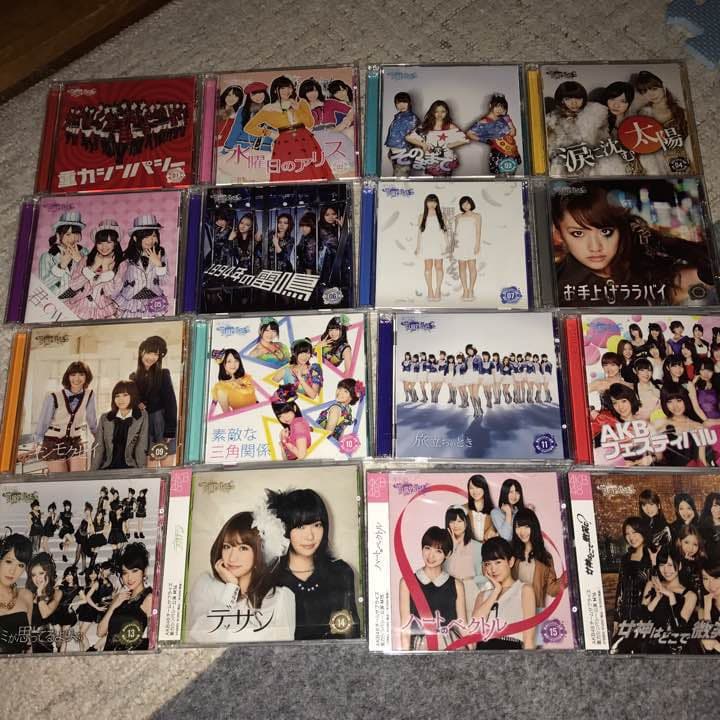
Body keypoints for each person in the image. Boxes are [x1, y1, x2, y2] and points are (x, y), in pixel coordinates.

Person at [552, 184, 713, 306]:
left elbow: (686, 282)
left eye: (606, 232)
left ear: (620, 230)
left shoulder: (641, 264)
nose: (595, 247)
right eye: (578, 234)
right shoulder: (557, 286)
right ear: (559, 235)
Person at [188, 511, 295, 643]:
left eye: (243, 548)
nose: (232, 558)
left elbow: (285, 651)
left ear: (259, 552)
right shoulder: (207, 586)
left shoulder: (280, 598)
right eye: (227, 547)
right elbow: (201, 638)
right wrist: (231, 588)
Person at [271, 488, 360, 640]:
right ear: (284, 529)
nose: (310, 536)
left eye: (317, 525)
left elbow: (351, 635)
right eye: (300, 527)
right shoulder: (271, 578)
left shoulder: (340, 572)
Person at [243, 75, 334, 182]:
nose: (287, 91)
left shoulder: (301, 102)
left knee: (313, 171)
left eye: (289, 88)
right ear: (275, 90)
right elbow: (249, 127)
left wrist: (298, 109)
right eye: (282, 88)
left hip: (305, 139)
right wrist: (269, 133)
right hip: (284, 142)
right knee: (288, 172)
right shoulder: (268, 109)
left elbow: (309, 123)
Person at [21, 361, 97, 473]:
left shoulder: (89, 395)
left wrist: (99, 439)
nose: (77, 378)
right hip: (53, 443)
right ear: (68, 377)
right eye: (73, 375)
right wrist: (35, 447)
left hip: (75, 442)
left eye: (81, 374)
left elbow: (92, 422)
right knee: (60, 479)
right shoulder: (53, 397)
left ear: (87, 377)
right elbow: (43, 424)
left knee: (78, 477)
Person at [398, 525, 466, 650]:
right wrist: (405, 656)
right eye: (427, 548)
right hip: (421, 646)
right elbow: (405, 627)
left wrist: (472, 653)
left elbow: (463, 626)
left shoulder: (457, 585)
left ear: (448, 554)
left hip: (451, 645)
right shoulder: (407, 583)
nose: (431, 556)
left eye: (438, 551)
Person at [472, 537, 536, 650]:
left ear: (511, 562)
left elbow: (528, 639)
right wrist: (496, 590)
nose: (493, 569)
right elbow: (474, 631)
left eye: (498, 562)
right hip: (482, 654)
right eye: (488, 564)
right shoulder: (482, 596)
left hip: (511, 653)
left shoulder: (524, 590)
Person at [63, 219, 126, 319]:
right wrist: (93, 267)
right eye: (100, 243)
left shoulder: (121, 264)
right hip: (79, 305)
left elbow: (112, 293)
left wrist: (106, 268)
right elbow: (74, 286)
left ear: (115, 243)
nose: (104, 247)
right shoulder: (86, 259)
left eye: (109, 242)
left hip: (103, 310)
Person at [634, 70, 693, 175]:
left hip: (684, 160)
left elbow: (691, 139)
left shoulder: (680, 112)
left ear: (663, 87)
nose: (651, 94)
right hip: (659, 165)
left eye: (654, 89)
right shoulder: (644, 114)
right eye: (645, 91)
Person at [130, 336, 177, 467]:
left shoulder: (163, 374)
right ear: (141, 352)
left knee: (166, 469)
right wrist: (136, 403)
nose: (152, 357)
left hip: (161, 423)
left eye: (156, 354)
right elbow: (132, 405)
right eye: (149, 352)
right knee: (149, 470)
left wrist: (170, 431)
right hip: (144, 426)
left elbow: (171, 403)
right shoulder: (133, 378)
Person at [545, 80, 608, 177]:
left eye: (578, 98)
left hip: (591, 163)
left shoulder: (594, 114)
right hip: (566, 165)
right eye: (568, 99)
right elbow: (551, 147)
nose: (574, 103)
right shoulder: (553, 119)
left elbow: (604, 140)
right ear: (561, 100)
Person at [641, 546, 697, 654]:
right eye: (662, 565)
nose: (666, 570)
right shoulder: (651, 585)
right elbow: (643, 617)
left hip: (675, 650)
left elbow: (679, 628)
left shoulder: (690, 595)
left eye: (670, 565)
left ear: (679, 566)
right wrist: (657, 598)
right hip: (651, 646)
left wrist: (671, 596)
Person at [97, 543, 153, 650]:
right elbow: (100, 632)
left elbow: (152, 640)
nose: (129, 578)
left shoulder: (148, 598)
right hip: (108, 655)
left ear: (144, 571)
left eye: (135, 571)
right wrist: (114, 605)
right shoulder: (121, 597)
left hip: (129, 657)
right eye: (125, 573)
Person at [609, 517, 652, 654]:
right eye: (627, 534)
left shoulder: (652, 557)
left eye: (634, 532)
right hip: (626, 616)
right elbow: (620, 589)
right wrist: (616, 619)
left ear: (643, 531)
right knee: (617, 651)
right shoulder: (625, 559)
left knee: (642, 653)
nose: (631, 537)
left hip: (645, 616)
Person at [511, 509, 563, 615]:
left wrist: (566, 578)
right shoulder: (511, 553)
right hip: (513, 609)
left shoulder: (545, 557)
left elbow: (551, 589)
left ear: (534, 527)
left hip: (536, 611)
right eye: (518, 527)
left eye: (526, 527)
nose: (522, 531)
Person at [116, 215, 169, 318]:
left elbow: (164, 281)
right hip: (131, 301)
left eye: (154, 236)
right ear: (135, 238)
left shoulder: (161, 254)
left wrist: (158, 264)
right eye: (146, 237)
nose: (151, 240)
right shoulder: (126, 257)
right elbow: (118, 281)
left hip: (154, 300)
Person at [91, 380, 149, 470]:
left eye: (125, 395)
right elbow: (99, 447)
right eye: (117, 396)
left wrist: (142, 471)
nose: (120, 399)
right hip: (108, 468)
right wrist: (92, 472)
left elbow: (141, 446)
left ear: (133, 396)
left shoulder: (141, 416)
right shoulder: (105, 418)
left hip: (130, 468)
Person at [406, 100, 468, 177]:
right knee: (435, 182)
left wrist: (450, 145)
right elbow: (408, 137)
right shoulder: (425, 126)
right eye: (436, 111)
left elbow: (465, 139)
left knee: (444, 182)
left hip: (446, 160)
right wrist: (423, 144)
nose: (439, 114)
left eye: (443, 111)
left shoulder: (450, 126)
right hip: (432, 160)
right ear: (432, 112)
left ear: (447, 112)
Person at [466, 93, 521, 175]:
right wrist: (484, 140)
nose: (500, 109)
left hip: (512, 153)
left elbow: (513, 133)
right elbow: (469, 133)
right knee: (500, 180)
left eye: (502, 107)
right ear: (490, 105)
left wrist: (508, 120)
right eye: (497, 106)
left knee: (511, 180)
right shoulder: (484, 121)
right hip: (498, 154)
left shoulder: (504, 119)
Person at [39, 211, 89, 297]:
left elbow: (94, 278)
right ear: (59, 235)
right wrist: (61, 266)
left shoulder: (84, 252)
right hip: (56, 300)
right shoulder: (47, 256)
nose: (72, 238)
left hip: (80, 299)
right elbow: (42, 286)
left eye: (76, 234)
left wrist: (80, 260)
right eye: (68, 234)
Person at [0, 534, 33, 654]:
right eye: (9, 561)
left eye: (20, 565)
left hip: (20, 665)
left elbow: (28, 645)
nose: (13, 571)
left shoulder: (26, 596)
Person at [444, 506, 479, 619]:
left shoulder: (477, 546)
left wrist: (474, 585)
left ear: (466, 523)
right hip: (450, 591)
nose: (456, 525)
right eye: (452, 521)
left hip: (470, 590)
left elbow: (484, 575)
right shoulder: (444, 547)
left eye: (460, 521)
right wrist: (454, 548)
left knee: (472, 623)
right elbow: (444, 572)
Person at [26, 552, 62, 653]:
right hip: (29, 643)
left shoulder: (57, 593)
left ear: (48, 573)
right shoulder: (28, 594)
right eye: (33, 575)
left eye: (41, 573)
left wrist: (39, 592)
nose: (37, 578)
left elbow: (45, 613)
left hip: (46, 644)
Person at [415, 194, 447, 302]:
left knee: (439, 267)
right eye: (430, 201)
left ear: (437, 203)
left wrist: (447, 245)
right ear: (426, 203)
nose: (432, 204)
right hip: (427, 244)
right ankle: (430, 290)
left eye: (434, 201)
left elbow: (445, 232)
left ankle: (438, 290)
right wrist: (418, 247)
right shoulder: (422, 216)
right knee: (428, 268)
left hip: (439, 244)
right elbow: (420, 233)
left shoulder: (442, 216)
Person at [453, 196, 482, 301]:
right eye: (463, 204)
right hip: (460, 245)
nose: (465, 205)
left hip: (471, 244)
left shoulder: (477, 216)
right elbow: (455, 232)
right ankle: (465, 290)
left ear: (471, 204)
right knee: (461, 267)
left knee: (472, 267)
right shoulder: (458, 217)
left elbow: (478, 232)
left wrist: (477, 245)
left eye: (467, 203)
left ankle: (471, 290)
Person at [384, 91, 419, 177]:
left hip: (404, 150)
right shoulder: (398, 116)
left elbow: (413, 135)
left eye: (404, 102)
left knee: (401, 176)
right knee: (397, 175)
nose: (401, 105)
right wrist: (391, 150)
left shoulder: (412, 118)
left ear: (409, 103)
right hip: (395, 150)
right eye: (398, 103)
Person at [210, 349, 257, 413]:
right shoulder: (222, 388)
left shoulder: (246, 378)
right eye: (229, 361)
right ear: (223, 364)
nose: (233, 364)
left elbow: (256, 400)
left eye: (236, 360)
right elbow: (226, 414)